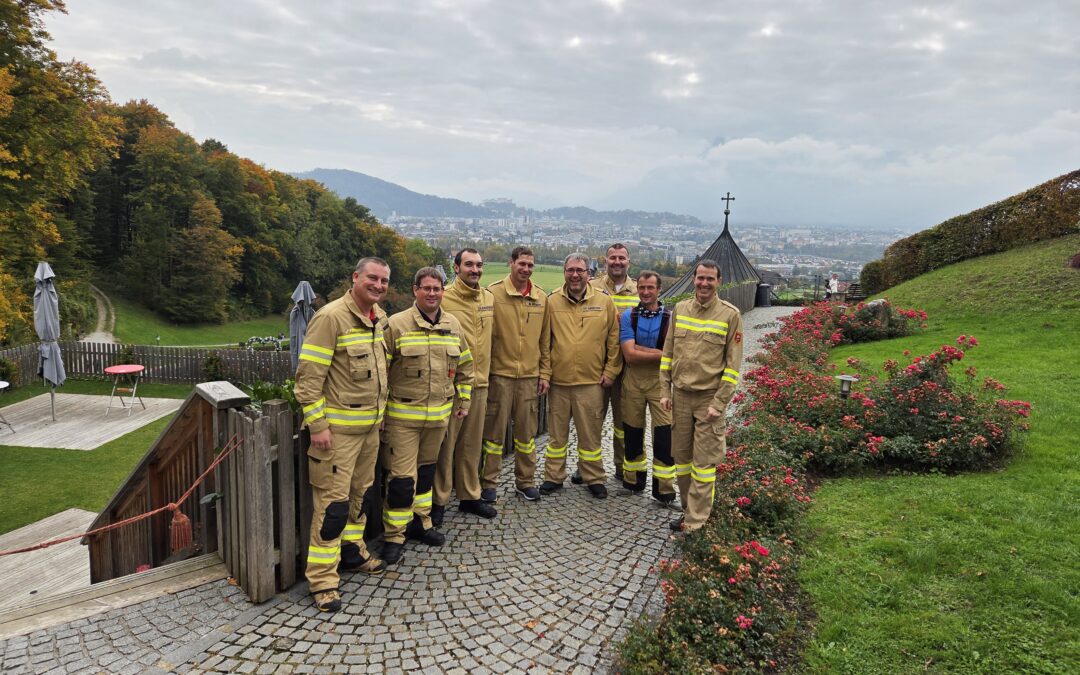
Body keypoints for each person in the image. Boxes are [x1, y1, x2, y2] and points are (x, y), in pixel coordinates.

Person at [293, 257, 391, 613]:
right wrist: (318, 425)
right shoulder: (331, 318)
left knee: (360, 497)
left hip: (368, 430)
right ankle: (322, 580)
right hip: (337, 435)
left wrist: (379, 417)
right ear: (355, 277)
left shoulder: (378, 318)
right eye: (372, 278)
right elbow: (308, 379)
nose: (378, 285)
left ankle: (353, 552)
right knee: (332, 507)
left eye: (383, 280)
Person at [381, 267, 474, 565]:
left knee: (424, 475)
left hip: (437, 420)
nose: (432, 293)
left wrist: (464, 401)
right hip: (402, 420)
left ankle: (421, 523)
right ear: (415, 290)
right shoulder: (396, 325)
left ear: (443, 291)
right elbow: (381, 373)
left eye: (437, 288)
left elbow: (465, 366)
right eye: (427, 288)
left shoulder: (453, 325)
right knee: (401, 480)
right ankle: (395, 535)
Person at [660, 259, 743, 533]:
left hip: (709, 399)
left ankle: (696, 524)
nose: (704, 283)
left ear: (718, 282)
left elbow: (732, 367)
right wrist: (665, 390)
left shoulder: (730, 315)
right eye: (700, 278)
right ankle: (689, 511)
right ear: (693, 279)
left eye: (710, 279)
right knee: (682, 462)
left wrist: (719, 403)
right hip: (681, 397)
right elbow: (667, 354)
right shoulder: (680, 309)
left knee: (704, 464)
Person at [539, 253, 623, 499]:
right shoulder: (552, 301)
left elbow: (614, 340)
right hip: (559, 382)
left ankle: (593, 477)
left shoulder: (604, 301)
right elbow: (545, 342)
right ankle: (553, 477)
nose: (575, 275)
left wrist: (611, 371)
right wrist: (545, 374)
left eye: (580, 270)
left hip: (591, 382)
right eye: (570, 270)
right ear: (564, 272)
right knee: (557, 437)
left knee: (590, 436)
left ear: (589, 273)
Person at [432, 249, 497, 525]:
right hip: (451, 384)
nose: (475, 269)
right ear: (456, 267)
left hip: (479, 383)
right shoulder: (444, 297)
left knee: (471, 445)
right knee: (445, 446)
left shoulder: (489, 299)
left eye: (479, 265)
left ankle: (470, 496)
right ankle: (438, 501)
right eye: (469, 264)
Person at [480, 246, 548, 502]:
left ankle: (525, 481)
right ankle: (489, 483)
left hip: (529, 376)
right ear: (511, 263)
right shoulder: (493, 294)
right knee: (493, 434)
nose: (526, 269)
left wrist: (545, 373)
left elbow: (545, 340)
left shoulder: (541, 297)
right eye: (522, 264)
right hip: (499, 375)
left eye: (530, 265)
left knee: (526, 435)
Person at [618, 270, 676, 504]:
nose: (645, 292)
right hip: (633, 381)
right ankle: (633, 481)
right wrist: (661, 353)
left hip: (660, 383)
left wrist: (641, 350)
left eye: (650, 287)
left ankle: (664, 490)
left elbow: (675, 354)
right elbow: (629, 355)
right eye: (641, 287)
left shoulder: (671, 318)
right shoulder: (628, 316)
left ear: (659, 290)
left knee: (664, 436)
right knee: (632, 433)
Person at [584, 243, 636, 482]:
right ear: (605, 261)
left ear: (628, 262)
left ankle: (621, 466)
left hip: (627, 368)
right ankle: (587, 466)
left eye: (621, 258)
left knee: (623, 422)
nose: (617, 262)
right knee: (591, 420)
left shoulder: (639, 291)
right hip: (595, 366)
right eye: (612, 258)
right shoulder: (591, 287)